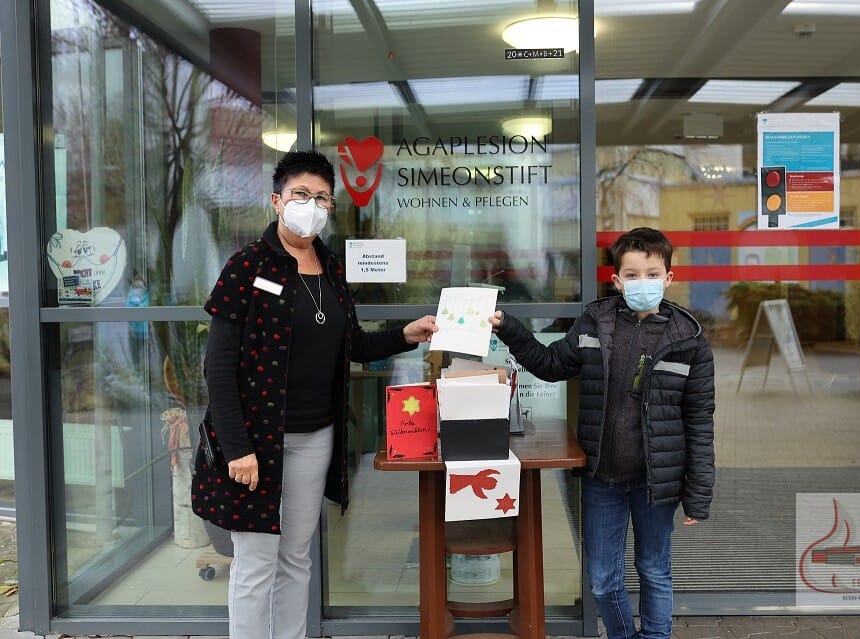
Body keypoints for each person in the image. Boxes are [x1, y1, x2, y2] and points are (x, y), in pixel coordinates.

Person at [191, 149, 439, 639]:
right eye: (301, 195)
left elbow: (353, 344)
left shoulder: (331, 269)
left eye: (322, 197)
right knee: (256, 559)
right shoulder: (246, 266)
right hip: (256, 441)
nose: (312, 205)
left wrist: (404, 334)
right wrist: (237, 448)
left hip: (315, 435)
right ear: (277, 201)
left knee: (296, 556)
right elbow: (218, 368)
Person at [489, 227, 715, 639]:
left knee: (654, 570)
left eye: (651, 273)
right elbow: (551, 363)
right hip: (601, 478)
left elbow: (700, 421)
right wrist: (509, 328)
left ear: (669, 277)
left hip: (656, 480)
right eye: (631, 274)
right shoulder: (597, 320)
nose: (641, 282)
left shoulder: (689, 340)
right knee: (602, 579)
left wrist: (697, 494)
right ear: (616, 280)